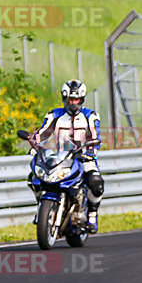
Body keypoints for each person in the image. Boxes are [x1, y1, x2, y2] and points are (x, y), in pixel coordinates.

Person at [32, 79, 104, 233]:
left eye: (76, 100)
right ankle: (43, 208)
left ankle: (92, 215)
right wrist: (34, 145)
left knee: (96, 182)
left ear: (82, 99)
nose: (73, 103)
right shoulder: (55, 115)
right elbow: (42, 133)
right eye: (71, 100)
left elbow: (95, 136)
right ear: (64, 99)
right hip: (61, 158)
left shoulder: (90, 116)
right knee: (34, 179)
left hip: (84, 158)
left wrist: (91, 151)